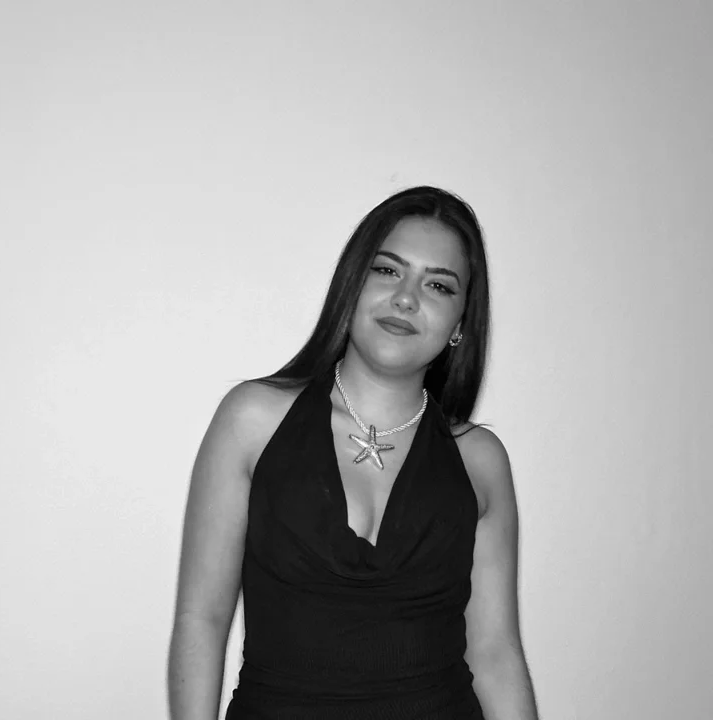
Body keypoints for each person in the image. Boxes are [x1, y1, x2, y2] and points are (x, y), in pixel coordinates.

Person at [167, 186, 539, 719]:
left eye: (438, 285)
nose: (406, 298)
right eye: (388, 270)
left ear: (460, 324)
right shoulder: (252, 421)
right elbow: (201, 619)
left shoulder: (480, 460)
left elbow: (496, 654)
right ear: (353, 283)